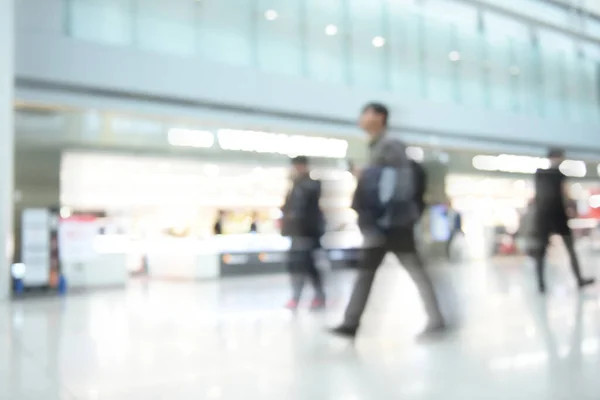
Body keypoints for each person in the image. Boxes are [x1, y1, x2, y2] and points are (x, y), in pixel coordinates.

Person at [330, 102, 444, 339]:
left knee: (410, 271)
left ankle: (437, 319)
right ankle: (351, 322)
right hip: (386, 223)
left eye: (365, 113)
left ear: (379, 116)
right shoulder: (378, 146)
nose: (361, 118)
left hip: (390, 223)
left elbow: (399, 184)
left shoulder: (390, 145)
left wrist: (386, 216)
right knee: (373, 271)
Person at [533, 148, 595, 293]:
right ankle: (542, 284)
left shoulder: (542, 174)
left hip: (549, 216)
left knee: (565, 249)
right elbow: (564, 193)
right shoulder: (553, 174)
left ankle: (544, 285)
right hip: (553, 215)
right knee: (544, 251)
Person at [281, 156, 326, 310]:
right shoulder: (295, 186)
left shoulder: (310, 184)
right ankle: (297, 297)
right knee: (297, 265)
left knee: (308, 265)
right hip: (296, 233)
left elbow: (306, 206)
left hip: (307, 232)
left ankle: (316, 296)